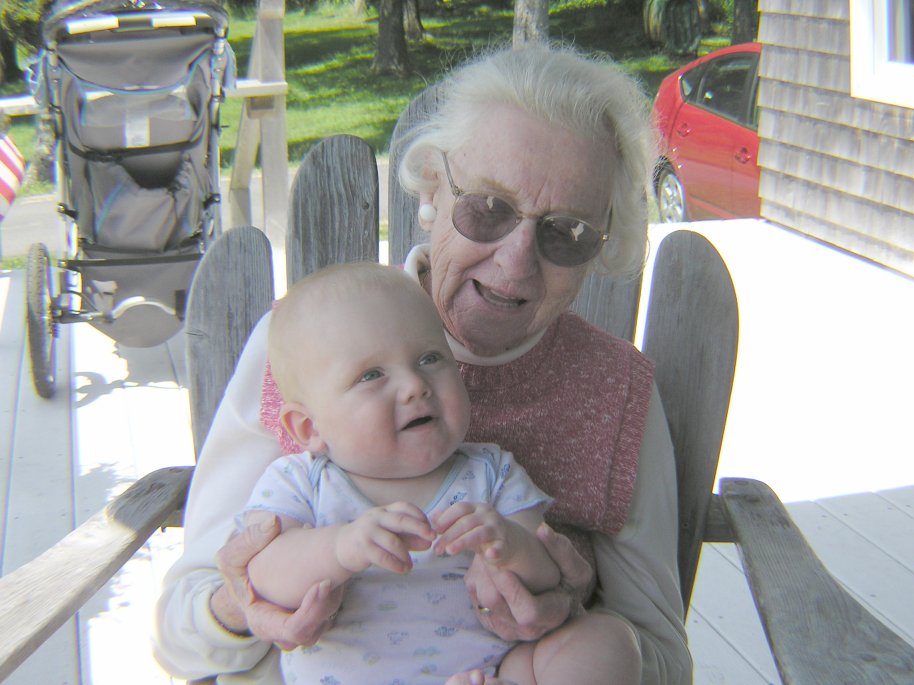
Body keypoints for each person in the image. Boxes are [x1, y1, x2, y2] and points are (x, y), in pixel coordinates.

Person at [154, 43, 691, 685]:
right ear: (433, 186)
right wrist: (243, 606)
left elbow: (661, 658)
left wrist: (568, 608)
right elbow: (182, 634)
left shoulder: (615, 395)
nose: (515, 261)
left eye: (567, 232)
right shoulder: (304, 345)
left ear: (601, 243)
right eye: (488, 208)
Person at [240, 261, 603, 684]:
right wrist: (340, 548)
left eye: (430, 358)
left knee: (604, 643)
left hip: (488, 673)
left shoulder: (491, 472)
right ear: (308, 428)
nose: (415, 385)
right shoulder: (300, 483)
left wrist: (511, 545)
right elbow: (264, 578)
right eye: (371, 375)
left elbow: (545, 578)